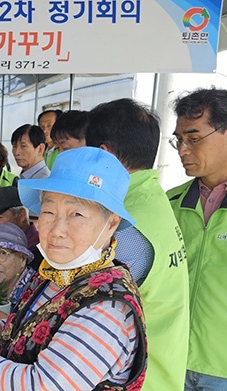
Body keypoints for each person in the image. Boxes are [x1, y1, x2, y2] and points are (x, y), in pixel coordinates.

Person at [0, 147, 147, 391]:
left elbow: (42, 385)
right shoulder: (55, 272)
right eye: (48, 212)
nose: (57, 230)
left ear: (112, 224)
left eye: (76, 214)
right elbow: (24, 333)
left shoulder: (106, 310)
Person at [86, 98, 189, 391]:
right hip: (162, 370)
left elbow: (87, 302)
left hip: (137, 379)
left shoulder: (127, 224)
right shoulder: (151, 201)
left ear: (103, 154)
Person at [167, 88, 227, 391]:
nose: (182, 150)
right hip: (169, 360)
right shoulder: (169, 204)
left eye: (193, 138)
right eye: (179, 140)